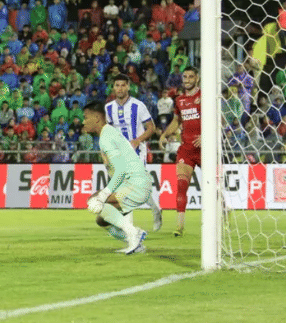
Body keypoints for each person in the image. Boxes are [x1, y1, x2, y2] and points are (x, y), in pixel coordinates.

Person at [83, 101, 149, 255]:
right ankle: (134, 240)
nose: (83, 121)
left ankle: (134, 233)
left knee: (94, 201)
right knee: (101, 219)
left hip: (135, 184)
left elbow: (120, 171)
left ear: (97, 118)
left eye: (86, 117)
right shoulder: (107, 134)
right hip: (133, 183)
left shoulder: (106, 137)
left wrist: (105, 194)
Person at [104, 74, 163, 231]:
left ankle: (153, 212)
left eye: (123, 85)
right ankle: (129, 226)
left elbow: (151, 128)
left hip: (137, 151)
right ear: (113, 87)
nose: (120, 88)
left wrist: (137, 140)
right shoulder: (108, 108)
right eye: (117, 85)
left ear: (128, 86)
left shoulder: (138, 105)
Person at [158, 66, 201, 237]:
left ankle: (224, 211)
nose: (188, 79)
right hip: (187, 149)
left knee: (215, 186)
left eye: (191, 76)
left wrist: (205, 136)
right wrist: (165, 134)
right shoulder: (180, 100)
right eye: (185, 77)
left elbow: (217, 119)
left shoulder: (204, 97)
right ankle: (179, 226)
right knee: (181, 186)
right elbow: (177, 121)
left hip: (205, 149)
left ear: (197, 78)